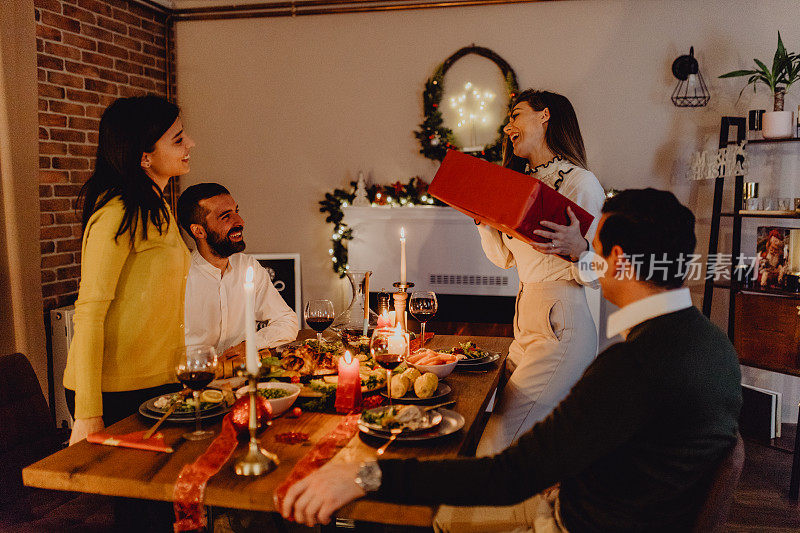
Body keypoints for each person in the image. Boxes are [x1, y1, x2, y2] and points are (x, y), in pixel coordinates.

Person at [278, 189, 743, 533]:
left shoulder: (635, 364)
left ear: (619, 260)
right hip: (613, 505)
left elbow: (508, 476)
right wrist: (568, 474)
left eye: (594, 249)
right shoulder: (712, 344)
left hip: (575, 524)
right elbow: (653, 453)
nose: (589, 259)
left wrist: (368, 474)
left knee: (429, 519)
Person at [475, 89, 607, 454]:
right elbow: (505, 258)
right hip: (524, 318)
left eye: (516, 115)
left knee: (499, 443)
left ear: (545, 116)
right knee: (496, 429)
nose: (507, 127)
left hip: (562, 322)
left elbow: (601, 270)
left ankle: (478, 509)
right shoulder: (518, 186)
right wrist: (483, 222)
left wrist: (580, 248)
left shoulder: (582, 183)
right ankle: (538, 508)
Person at [63, 95, 193, 446]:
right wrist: (89, 412)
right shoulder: (117, 213)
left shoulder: (159, 208)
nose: (190, 144)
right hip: (113, 391)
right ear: (144, 156)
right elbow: (89, 314)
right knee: (139, 497)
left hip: (159, 381)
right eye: (178, 139)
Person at [177, 182, 298, 367]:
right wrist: (211, 365)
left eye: (236, 211)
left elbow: (287, 321)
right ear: (198, 230)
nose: (240, 221)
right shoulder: (179, 278)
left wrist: (248, 346)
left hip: (243, 378)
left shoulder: (248, 267)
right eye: (226, 216)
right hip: (196, 383)